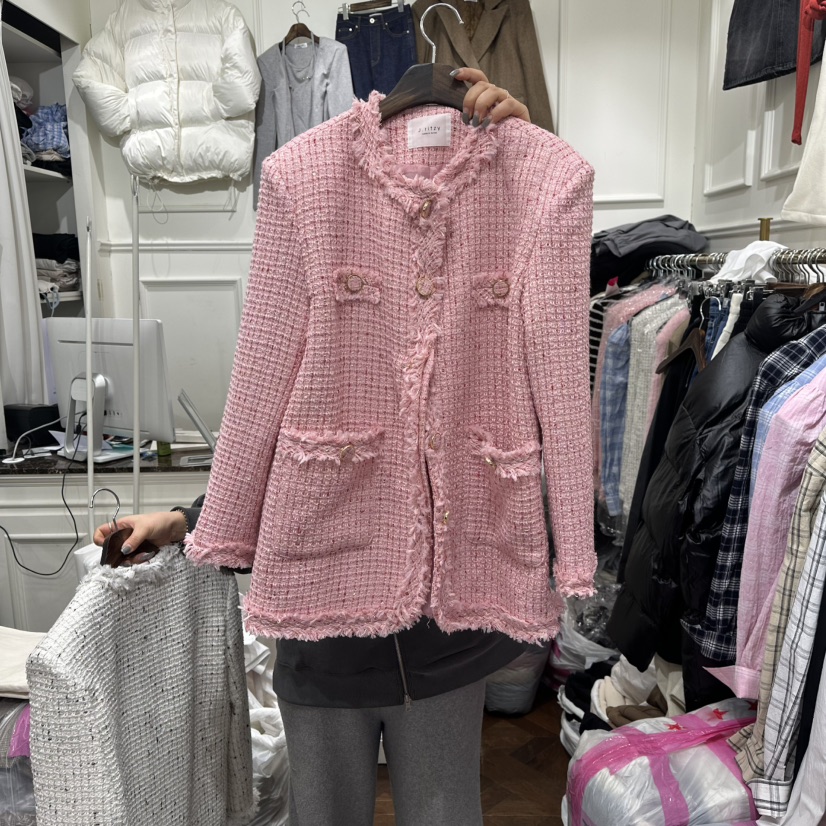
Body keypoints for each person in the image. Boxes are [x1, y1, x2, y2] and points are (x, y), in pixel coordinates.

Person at [96, 71, 536, 826]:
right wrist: (191, 521)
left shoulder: (507, 188)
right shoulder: (309, 184)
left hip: (449, 635)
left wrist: (520, 167)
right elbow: (268, 403)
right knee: (324, 814)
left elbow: (542, 373)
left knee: (445, 812)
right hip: (321, 628)